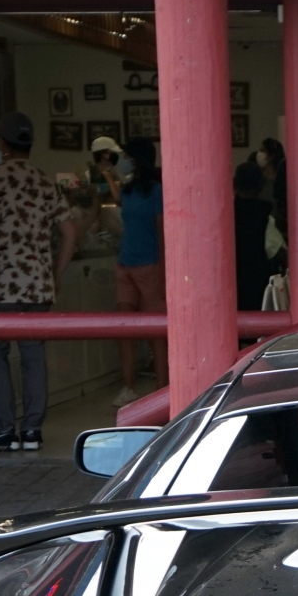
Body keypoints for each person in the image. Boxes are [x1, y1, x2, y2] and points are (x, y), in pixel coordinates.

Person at [0, 113, 73, 451]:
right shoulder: (46, 182)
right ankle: (33, 431)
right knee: (33, 353)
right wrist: (55, 274)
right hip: (38, 285)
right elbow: (70, 233)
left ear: (1, 143)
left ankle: (3, 428)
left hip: (0, 284)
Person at [108, 136, 166, 402]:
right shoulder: (128, 190)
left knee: (156, 333)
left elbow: (162, 233)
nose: (123, 161)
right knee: (125, 330)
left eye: (127, 156)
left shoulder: (156, 191)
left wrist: (165, 271)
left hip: (149, 264)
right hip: (125, 263)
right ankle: (128, 386)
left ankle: (162, 389)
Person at [232, 161, 277, 312]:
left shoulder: (227, 210)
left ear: (235, 183)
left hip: (231, 273)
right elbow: (275, 249)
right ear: (261, 185)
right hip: (258, 274)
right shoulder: (266, 210)